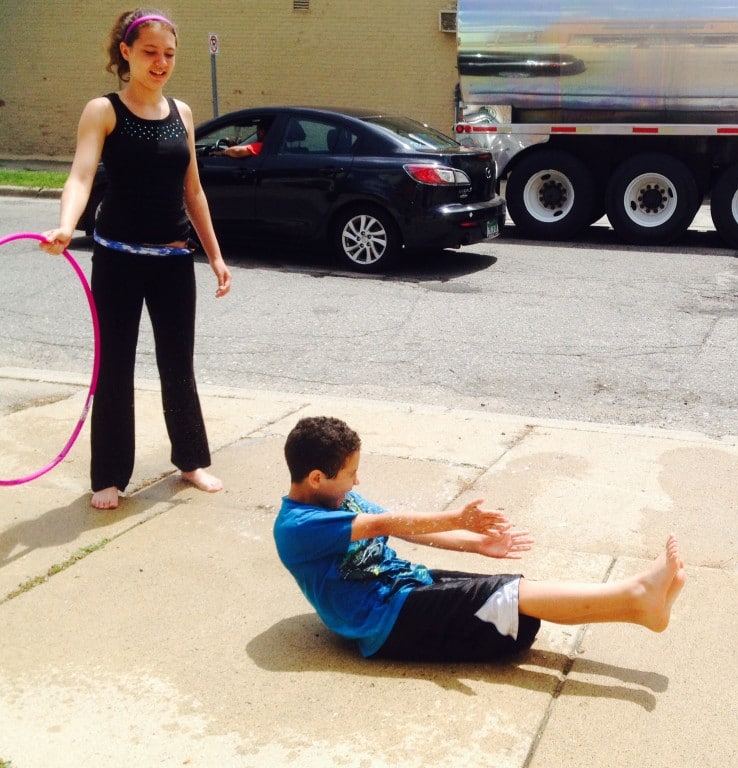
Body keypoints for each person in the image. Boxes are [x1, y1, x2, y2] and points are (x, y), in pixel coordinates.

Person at [274, 416, 688, 662]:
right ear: (316, 478)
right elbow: (383, 525)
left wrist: (475, 545)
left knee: (520, 612)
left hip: (404, 588)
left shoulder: (339, 498)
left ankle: (640, 610)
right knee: (513, 595)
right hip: (384, 622)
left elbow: (398, 526)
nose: (357, 481)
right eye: (350, 473)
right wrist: (459, 517)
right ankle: (637, 595)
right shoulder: (298, 526)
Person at [39, 9, 232, 510]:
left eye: (169, 53)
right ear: (126, 52)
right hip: (117, 260)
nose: (161, 62)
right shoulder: (103, 111)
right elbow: (81, 175)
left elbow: (193, 191)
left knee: (177, 365)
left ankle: (190, 460)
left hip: (172, 259)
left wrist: (214, 255)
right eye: (150, 52)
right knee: (114, 367)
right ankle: (108, 476)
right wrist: (66, 224)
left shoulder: (182, 114)